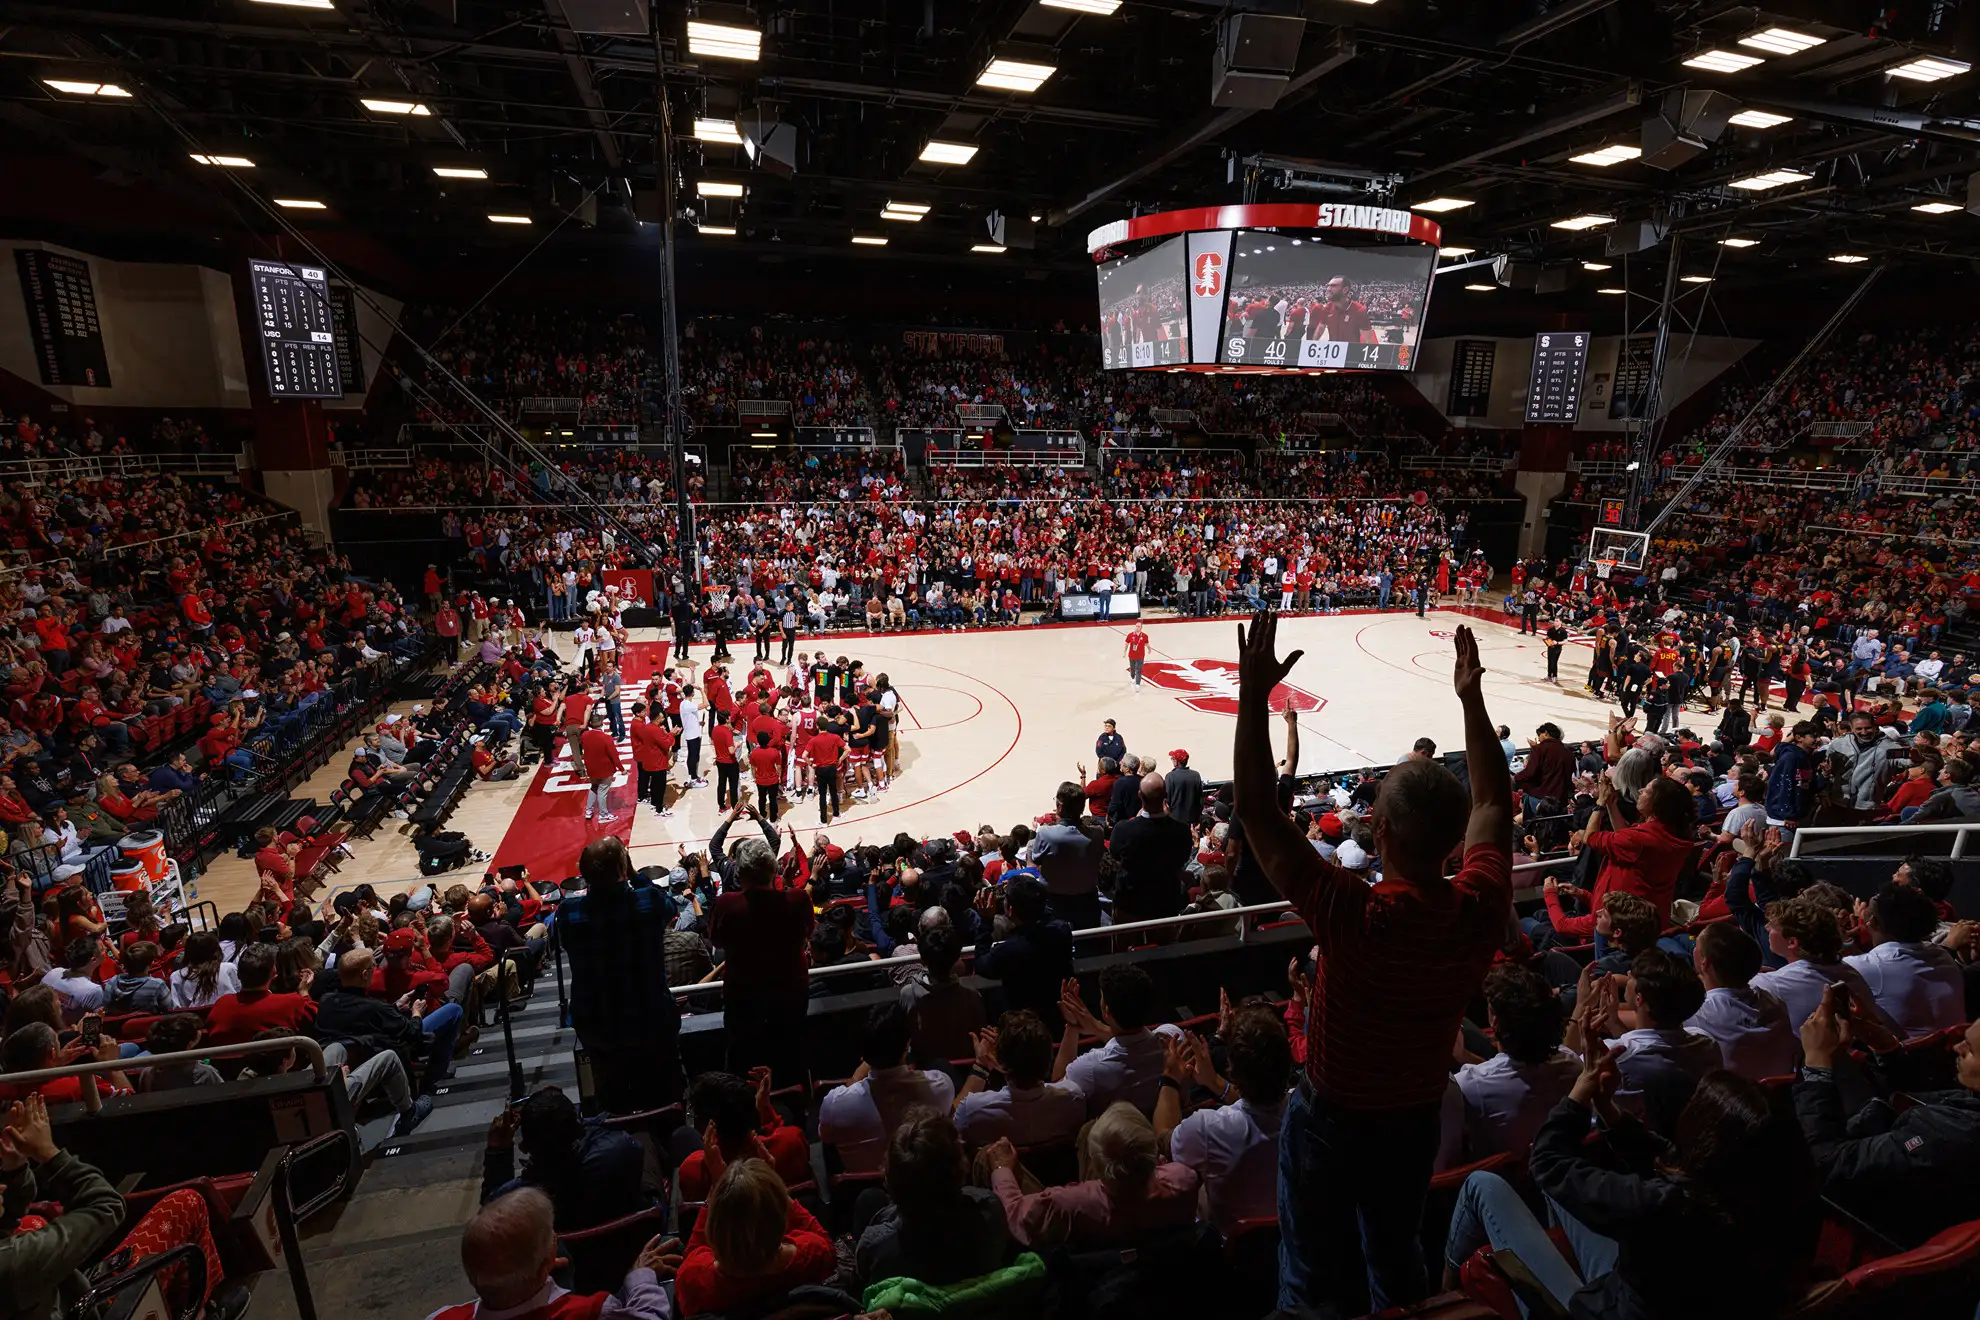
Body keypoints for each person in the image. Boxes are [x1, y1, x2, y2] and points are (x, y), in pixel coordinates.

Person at [1232, 615, 1512, 1314]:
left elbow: (1256, 813)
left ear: (1378, 830)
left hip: (1334, 1116)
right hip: (1415, 1112)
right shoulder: (1478, 902)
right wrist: (1471, 701)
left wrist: (1251, 699)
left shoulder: (1356, 913)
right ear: (1453, 843)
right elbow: (1491, 800)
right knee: (1397, 1256)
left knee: (1309, 1274)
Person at [1441, 1058, 1820, 1318]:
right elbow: (1672, 1160)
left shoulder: (1660, 1205)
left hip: (1607, 1311)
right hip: (1667, 1296)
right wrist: (1607, 1109)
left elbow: (1547, 1162)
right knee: (1557, 1190)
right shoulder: (1778, 1191)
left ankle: (1441, 1296)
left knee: (1482, 1183)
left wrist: (1578, 1096)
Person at [1794, 988, 1980, 1246]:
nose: (1957, 1047)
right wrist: (1884, 1045)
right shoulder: (1965, 1110)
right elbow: (1923, 1098)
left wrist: (1815, 1064)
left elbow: (1828, 1164)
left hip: (1892, 1226)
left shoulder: (1946, 1136)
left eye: (1969, 1049)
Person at [556, 836, 681, 1109]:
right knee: (664, 1095)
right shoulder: (647, 900)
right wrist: (635, 876)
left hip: (598, 1024)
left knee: (612, 1099)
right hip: (651, 1018)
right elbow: (671, 908)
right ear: (623, 870)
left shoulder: (568, 913)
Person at [424, 1187, 673, 1320]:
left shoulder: (439, 1318)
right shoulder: (591, 1311)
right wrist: (640, 1277)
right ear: (545, 1264)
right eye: (553, 1237)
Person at [984, 1101, 1198, 1248]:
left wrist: (1001, 1169)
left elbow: (1013, 1217)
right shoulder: (1184, 1180)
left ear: (1098, 1165)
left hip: (1093, 1263)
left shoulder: (1064, 1205)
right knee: (1091, 1128)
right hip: (1144, 1246)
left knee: (983, 1159)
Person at [1157, 1004, 1293, 1233]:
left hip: (1230, 1256)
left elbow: (1162, 1138)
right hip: (1291, 1239)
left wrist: (1170, 1079)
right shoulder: (1306, 1111)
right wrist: (1214, 1082)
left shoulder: (1207, 1127)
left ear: (1231, 1068)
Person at [1436, 963, 1578, 1169]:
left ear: (1494, 1021)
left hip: (1504, 1181)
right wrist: (1466, 1056)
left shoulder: (1465, 1087)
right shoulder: (1572, 1064)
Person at [855, 1112, 1012, 1289]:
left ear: (890, 1177)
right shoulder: (989, 1209)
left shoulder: (876, 1245)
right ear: (959, 1167)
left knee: (868, 1200)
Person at [709, 830, 814, 1082]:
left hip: (744, 996)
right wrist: (788, 886)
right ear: (774, 870)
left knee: (741, 1060)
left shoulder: (726, 903)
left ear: (740, 874)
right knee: (790, 1054)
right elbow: (808, 931)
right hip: (790, 992)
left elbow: (716, 940)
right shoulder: (797, 899)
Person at [674, 1159, 835, 1317]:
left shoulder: (695, 1281)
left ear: (714, 1228)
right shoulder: (812, 1255)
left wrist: (714, 1191)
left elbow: (692, 1255)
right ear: (781, 1222)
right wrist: (775, 1190)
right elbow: (827, 1245)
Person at [480, 1084, 650, 1231]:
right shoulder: (621, 1149)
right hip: (630, 1249)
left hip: (572, 1264)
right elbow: (599, 1126)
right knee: (645, 1139)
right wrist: (560, 1106)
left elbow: (490, 1210)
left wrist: (498, 1149)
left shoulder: (523, 1199)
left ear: (524, 1148)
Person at [818, 1002, 956, 1173]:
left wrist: (856, 1076)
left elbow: (825, 1136)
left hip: (863, 1192)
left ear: (863, 1054)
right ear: (907, 1046)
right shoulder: (940, 1086)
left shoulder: (835, 1104)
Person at [1844, 880, 1966, 1038]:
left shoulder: (1871, 967)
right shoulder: (1942, 955)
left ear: (1873, 922)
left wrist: (1838, 937)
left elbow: (1820, 966)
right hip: (1950, 1053)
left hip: (1905, 1059)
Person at [1055, 965, 1181, 1117]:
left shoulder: (1090, 1068)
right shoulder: (1174, 1039)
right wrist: (1096, 1027)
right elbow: (1134, 1042)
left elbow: (1057, 1090)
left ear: (1106, 1011)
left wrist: (1073, 1026)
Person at [953, 1009, 1087, 1146]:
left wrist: (981, 1066)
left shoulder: (971, 1111)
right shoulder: (1074, 1098)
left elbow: (948, 1127)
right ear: (1049, 1058)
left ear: (1002, 1063)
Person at [1685, 923, 1799, 1081]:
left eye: (1696, 946)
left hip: (1734, 1100)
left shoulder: (1699, 1012)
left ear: (1706, 963)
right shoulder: (1772, 1001)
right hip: (1783, 1094)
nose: (1693, 949)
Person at [1109, 772, 1192, 928]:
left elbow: (1114, 854)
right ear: (1165, 796)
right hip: (1166, 902)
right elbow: (1184, 857)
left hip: (1130, 903)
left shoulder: (1124, 829)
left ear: (1140, 795)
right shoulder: (1181, 830)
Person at [1031, 781, 1102, 930]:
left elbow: (1036, 859)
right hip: (1087, 902)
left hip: (1055, 902)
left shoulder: (1045, 833)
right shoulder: (1097, 833)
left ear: (1060, 807)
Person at [579, 710, 621, 825]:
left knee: (593, 788)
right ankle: (603, 815)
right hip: (605, 769)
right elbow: (614, 756)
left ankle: (588, 811)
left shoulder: (584, 735)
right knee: (602, 791)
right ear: (602, 722)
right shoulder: (606, 738)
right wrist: (622, 769)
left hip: (591, 768)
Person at [1164, 748, 1204, 826]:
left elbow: (1167, 799)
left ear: (1177, 761)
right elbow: (1200, 797)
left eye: (1173, 759)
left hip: (1175, 819)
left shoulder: (1170, 776)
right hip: (1193, 818)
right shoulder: (1196, 775)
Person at [1124, 624, 1150, 689]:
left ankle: (1138, 683)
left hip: (1140, 656)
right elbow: (1127, 644)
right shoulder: (1130, 635)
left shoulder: (1144, 636)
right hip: (1132, 655)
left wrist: (1149, 649)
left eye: (1138, 626)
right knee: (1132, 668)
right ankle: (1132, 677)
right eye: (1136, 626)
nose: (1137, 627)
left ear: (1141, 628)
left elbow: (1146, 643)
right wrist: (1124, 651)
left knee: (1139, 670)